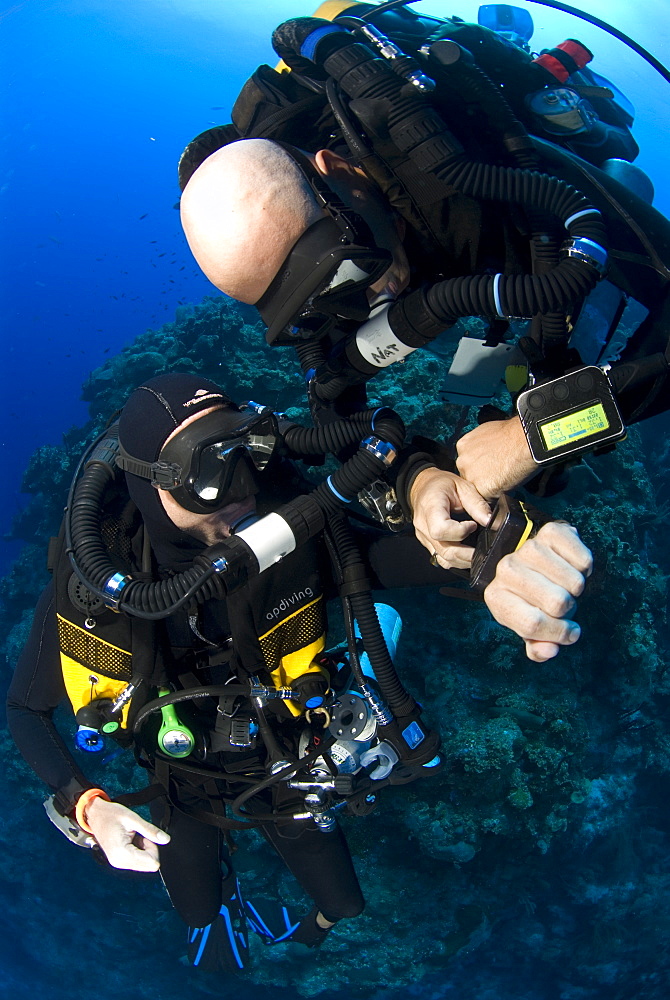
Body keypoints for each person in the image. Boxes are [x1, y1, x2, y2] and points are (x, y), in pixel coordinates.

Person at [7, 373, 592, 974]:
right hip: (182, 784)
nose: (241, 491)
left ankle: (305, 931)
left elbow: (430, 553)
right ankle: (223, 906)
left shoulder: (297, 538)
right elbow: (25, 710)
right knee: (197, 910)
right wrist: (90, 808)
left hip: (288, 764)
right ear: (148, 485)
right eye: (206, 473)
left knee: (344, 905)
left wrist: (509, 547)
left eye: (245, 454)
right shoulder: (96, 593)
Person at [177, 2, 670, 551]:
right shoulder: (317, 261)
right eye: (311, 305)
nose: (363, 303)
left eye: (346, 269)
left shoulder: (480, 169)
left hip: (524, 216)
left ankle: (509, 43)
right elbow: (335, 406)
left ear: (341, 174)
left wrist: (536, 432)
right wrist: (417, 482)